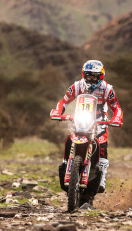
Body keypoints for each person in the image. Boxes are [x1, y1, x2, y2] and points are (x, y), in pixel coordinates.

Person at [50, 60, 123, 201]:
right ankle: (66, 163)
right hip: (80, 119)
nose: (91, 79)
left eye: (95, 76)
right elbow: (63, 102)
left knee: (102, 145)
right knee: (69, 138)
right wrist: (57, 112)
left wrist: (117, 118)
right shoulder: (77, 86)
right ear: (84, 75)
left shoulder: (108, 89)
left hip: (99, 121)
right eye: (89, 76)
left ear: (101, 76)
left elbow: (116, 107)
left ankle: (102, 178)